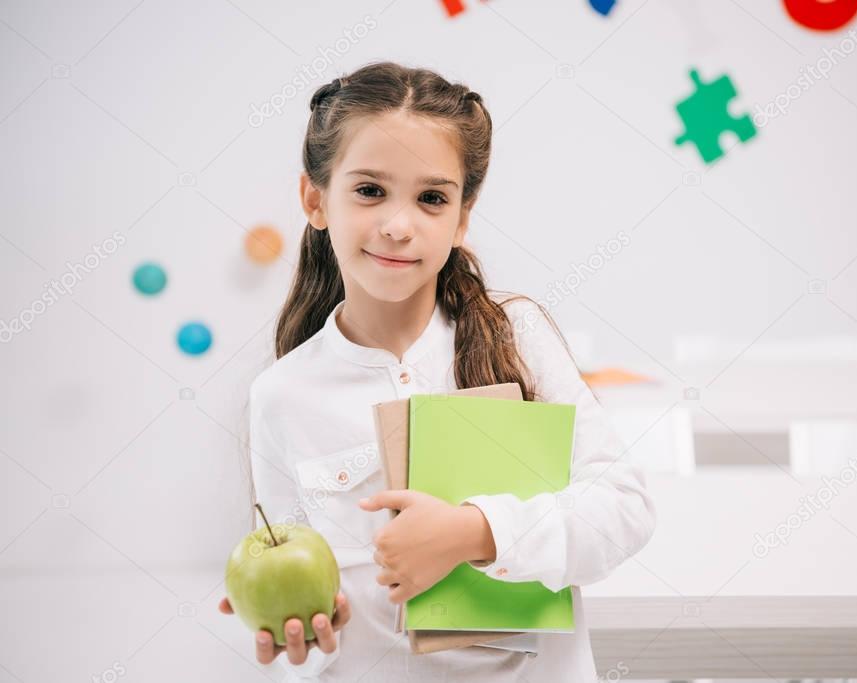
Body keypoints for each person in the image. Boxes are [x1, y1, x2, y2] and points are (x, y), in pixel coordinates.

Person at [219, 61, 656, 682]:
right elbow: (304, 596)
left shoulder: (517, 334)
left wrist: (474, 531)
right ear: (315, 200)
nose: (399, 226)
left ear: (462, 216)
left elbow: (623, 509)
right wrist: (303, 630)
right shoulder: (280, 396)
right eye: (370, 190)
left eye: (431, 198)